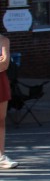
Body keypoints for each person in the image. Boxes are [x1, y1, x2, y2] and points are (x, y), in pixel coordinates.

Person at [0, 33, 16, 169]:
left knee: (0, 119)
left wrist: (2, 61)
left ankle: (1, 156)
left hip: (1, 82)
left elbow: (4, 64)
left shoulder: (3, 40)